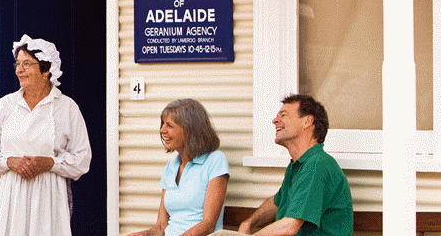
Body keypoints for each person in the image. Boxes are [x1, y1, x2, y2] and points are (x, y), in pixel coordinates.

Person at [0, 34, 92, 236]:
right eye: (18, 64)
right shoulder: (6, 105)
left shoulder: (66, 108)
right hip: (7, 197)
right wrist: (10, 161)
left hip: (47, 198)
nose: (19, 70)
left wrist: (50, 163)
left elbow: (82, 159)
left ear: (46, 70)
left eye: (27, 64)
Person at [211, 95, 352, 236]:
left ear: (307, 121)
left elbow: (290, 227)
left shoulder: (318, 164)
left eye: (283, 115)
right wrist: (248, 223)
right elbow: (276, 202)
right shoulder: (298, 165)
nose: (275, 120)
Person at [127, 99, 229, 236]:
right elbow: (161, 226)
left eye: (169, 125)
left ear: (189, 130)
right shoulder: (170, 168)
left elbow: (209, 224)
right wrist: (144, 233)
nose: (162, 130)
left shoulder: (215, 160)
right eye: (163, 124)